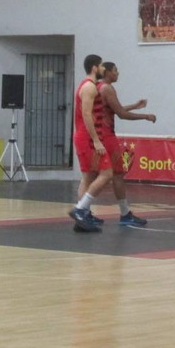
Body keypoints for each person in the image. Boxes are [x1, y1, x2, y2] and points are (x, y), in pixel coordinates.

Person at [93, 61, 157, 226]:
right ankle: (124, 213)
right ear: (107, 72)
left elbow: (115, 109)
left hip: (100, 134)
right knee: (117, 174)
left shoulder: (98, 87)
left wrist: (135, 106)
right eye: (115, 71)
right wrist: (145, 116)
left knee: (95, 175)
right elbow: (120, 114)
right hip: (107, 136)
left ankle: (84, 209)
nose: (118, 73)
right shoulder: (107, 88)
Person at [68, 55, 113, 232]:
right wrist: (96, 140)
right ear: (95, 68)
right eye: (102, 66)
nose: (104, 69)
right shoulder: (89, 87)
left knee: (88, 176)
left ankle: (83, 216)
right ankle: (80, 209)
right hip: (87, 138)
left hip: (84, 136)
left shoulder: (87, 86)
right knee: (107, 173)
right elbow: (87, 114)